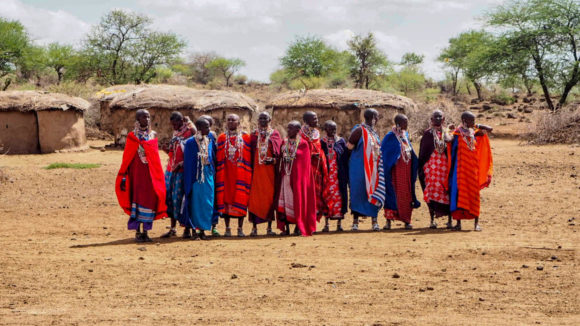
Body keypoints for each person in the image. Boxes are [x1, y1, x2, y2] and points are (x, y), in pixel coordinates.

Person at [115, 109, 167, 242]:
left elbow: (155, 157)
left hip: (150, 175)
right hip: (136, 175)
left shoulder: (153, 135)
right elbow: (127, 158)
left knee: (150, 201)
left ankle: (146, 232)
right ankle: (137, 232)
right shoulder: (132, 136)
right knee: (136, 201)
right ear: (138, 120)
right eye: (144, 117)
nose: (147, 119)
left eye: (148, 117)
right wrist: (125, 176)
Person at [447, 111, 493, 231]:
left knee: (474, 194)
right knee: (458, 194)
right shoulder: (457, 133)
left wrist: (476, 125)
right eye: (471, 120)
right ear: (464, 121)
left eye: (474, 120)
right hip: (460, 170)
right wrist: (447, 130)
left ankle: (476, 223)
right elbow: (447, 139)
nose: (473, 122)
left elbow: (490, 129)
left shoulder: (474, 132)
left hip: (473, 169)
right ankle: (458, 223)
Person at [347, 109, 385, 231]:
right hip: (359, 169)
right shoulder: (359, 130)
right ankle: (355, 222)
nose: (378, 119)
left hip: (373, 170)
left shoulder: (373, 132)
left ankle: (374, 221)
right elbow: (349, 147)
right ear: (373, 117)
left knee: (373, 191)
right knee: (358, 193)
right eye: (377, 116)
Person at [276, 121, 317, 236]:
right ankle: (286, 228)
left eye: (291, 128)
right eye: (288, 128)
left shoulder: (303, 144)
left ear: (298, 130)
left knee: (298, 200)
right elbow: (281, 157)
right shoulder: (284, 142)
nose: (288, 130)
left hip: (298, 179)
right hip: (286, 176)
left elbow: (303, 165)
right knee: (285, 202)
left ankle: (299, 227)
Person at [215, 114, 253, 237]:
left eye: (234, 120)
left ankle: (240, 229)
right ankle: (227, 228)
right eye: (229, 120)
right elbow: (218, 158)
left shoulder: (246, 138)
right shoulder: (221, 138)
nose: (231, 122)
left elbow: (249, 157)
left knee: (241, 199)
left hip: (241, 175)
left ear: (238, 122)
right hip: (225, 175)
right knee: (226, 199)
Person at [381, 114, 421, 230]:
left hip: (406, 171)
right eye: (405, 122)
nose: (407, 124)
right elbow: (386, 155)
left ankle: (407, 220)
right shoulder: (390, 137)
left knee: (406, 195)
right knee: (392, 194)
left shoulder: (405, 135)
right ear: (398, 124)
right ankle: (388, 221)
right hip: (394, 172)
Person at [161, 112, 196, 238]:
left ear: (181, 120)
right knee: (170, 199)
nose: (173, 126)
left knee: (182, 199)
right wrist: (166, 150)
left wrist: (182, 163)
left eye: (176, 123)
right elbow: (173, 152)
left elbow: (193, 152)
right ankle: (173, 228)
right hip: (170, 170)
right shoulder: (176, 133)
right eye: (172, 124)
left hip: (183, 172)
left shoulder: (190, 132)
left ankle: (186, 228)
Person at [248, 112, 282, 236]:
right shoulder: (253, 135)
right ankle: (254, 228)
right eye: (261, 118)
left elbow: (279, 154)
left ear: (270, 120)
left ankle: (269, 227)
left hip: (270, 173)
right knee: (254, 199)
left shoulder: (275, 134)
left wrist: (273, 160)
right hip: (256, 172)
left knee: (269, 198)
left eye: (265, 118)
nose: (263, 120)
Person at [182, 117, 216, 240]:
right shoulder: (191, 142)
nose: (209, 129)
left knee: (207, 203)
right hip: (196, 177)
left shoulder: (210, 140)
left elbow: (212, 158)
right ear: (200, 128)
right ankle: (194, 230)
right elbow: (188, 163)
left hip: (208, 175)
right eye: (207, 127)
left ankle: (203, 230)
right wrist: (190, 180)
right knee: (195, 203)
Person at [418, 110, 453, 229]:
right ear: (431, 119)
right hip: (430, 168)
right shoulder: (428, 134)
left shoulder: (447, 133)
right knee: (431, 191)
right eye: (435, 117)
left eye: (440, 117)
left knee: (446, 190)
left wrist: (447, 130)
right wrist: (422, 168)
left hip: (444, 168)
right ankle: (432, 219)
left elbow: (450, 141)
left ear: (443, 119)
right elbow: (423, 153)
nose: (437, 119)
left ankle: (449, 219)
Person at [301, 111, 330, 223]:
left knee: (316, 194)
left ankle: (312, 220)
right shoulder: (300, 134)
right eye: (314, 119)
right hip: (305, 170)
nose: (317, 121)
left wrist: (319, 155)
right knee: (306, 194)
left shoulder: (316, 133)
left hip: (317, 170)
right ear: (306, 121)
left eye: (316, 118)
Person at [320, 120, 349, 232]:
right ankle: (326, 224)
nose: (333, 131)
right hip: (327, 176)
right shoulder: (322, 142)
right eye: (330, 129)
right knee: (327, 197)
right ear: (325, 129)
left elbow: (345, 158)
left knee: (339, 198)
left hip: (338, 176)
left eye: (334, 129)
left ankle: (339, 223)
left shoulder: (341, 141)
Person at [199, 114, 220, 237]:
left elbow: (215, 153)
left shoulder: (212, 136)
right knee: (200, 200)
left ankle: (214, 226)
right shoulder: (195, 139)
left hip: (211, 171)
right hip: (200, 172)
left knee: (212, 199)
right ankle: (200, 227)